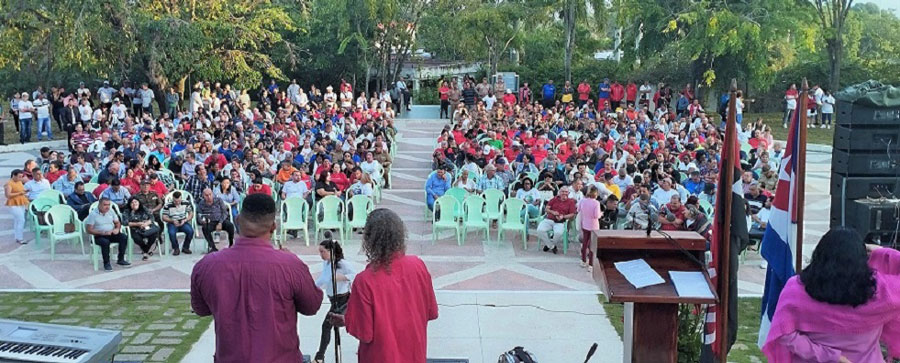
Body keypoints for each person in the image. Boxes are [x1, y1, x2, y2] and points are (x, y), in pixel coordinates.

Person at [190, 193, 322, 363]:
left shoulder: (207, 266)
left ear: (238, 220)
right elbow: (311, 306)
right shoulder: (290, 265)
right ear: (273, 227)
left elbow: (201, 309)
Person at [762, 227, 900, 363]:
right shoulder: (882, 291)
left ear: (819, 254)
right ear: (863, 258)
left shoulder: (796, 289)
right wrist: (883, 252)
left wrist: (830, 356)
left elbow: (784, 334)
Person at [331, 209, 438, 362]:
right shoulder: (418, 266)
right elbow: (431, 312)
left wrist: (347, 320)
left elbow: (363, 333)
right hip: (414, 356)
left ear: (369, 240)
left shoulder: (365, 281)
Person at [313, 239, 355, 363]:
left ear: (331, 251)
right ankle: (320, 356)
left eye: (323, 251)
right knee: (330, 326)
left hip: (343, 300)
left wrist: (343, 277)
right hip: (333, 300)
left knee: (327, 325)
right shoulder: (326, 264)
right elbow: (322, 279)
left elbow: (356, 275)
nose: (321, 254)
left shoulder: (342, 264)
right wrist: (312, 287)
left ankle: (320, 357)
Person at [85, 198, 131, 272]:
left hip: (111, 233)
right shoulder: (93, 214)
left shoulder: (111, 211)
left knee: (123, 237)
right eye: (105, 205)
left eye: (108, 205)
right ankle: (106, 263)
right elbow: (89, 230)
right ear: (99, 205)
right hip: (99, 235)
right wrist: (103, 232)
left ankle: (121, 259)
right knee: (105, 242)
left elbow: (117, 223)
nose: (107, 207)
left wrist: (117, 229)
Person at [537, 186, 576, 254]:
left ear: (568, 193)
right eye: (562, 191)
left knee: (558, 233)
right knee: (540, 230)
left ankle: (548, 245)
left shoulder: (571, 202)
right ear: (559, 192)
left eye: (566, 192)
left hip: (560, 221)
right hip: (549, 219)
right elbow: (546, 209)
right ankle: (551, 246)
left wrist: (563, 217)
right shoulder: (554, 199)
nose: (564, 193)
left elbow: (572, 214)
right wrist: (553, 212)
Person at [577, 186, 602, 272]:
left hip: (585, 224)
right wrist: (601, 214)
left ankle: (583, 260)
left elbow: (578, 209)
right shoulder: (596, 203)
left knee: (585, 243)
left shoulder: (583, 201)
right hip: (594, 226)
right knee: (592, 246)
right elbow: (596, 216)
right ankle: (591, 264)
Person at [162, 191, 194, 255]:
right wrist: (172, 221)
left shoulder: (186, 203)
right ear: (172, 199)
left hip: (183, 221)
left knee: (190, 231)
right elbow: (164, 217)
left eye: (179, 201)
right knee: (171, 233)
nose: (177, 203)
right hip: (172, 222)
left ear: (181, 198)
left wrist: (185, 220)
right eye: (175, 201)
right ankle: (176, 248)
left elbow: (191, 214)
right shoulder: (168, 205)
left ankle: (185, 247)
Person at [5, 169, 29, 245]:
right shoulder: (9, 184)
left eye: (21, 177)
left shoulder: (19, 182)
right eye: (19, 176)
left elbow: (21, 190)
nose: (21, 178)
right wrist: (19, 193)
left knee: (17, 220)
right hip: (13, 204)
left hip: (21, 202)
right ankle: (20, 238)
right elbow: (8, 195)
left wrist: (24, 192)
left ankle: (17, 237)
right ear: (14, 176)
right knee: (21, 220)